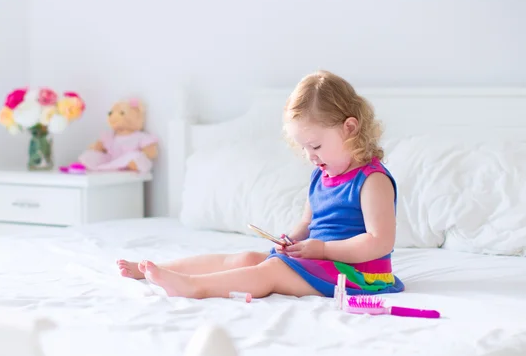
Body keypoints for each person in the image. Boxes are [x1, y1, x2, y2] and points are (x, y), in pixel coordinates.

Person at [116, 70, 405, 299]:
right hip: (321, 261)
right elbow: (308, 222)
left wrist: (323, 250)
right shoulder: (321, 175)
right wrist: (291, 241)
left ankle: (194, 286)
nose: (310, 156)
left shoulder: (372, 180)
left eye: (315, 145)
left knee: (271, 271)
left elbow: (379, 242)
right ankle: (156, 269)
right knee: (247, 257)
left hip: (360, 274)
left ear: (350, 129)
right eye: (304, 147)